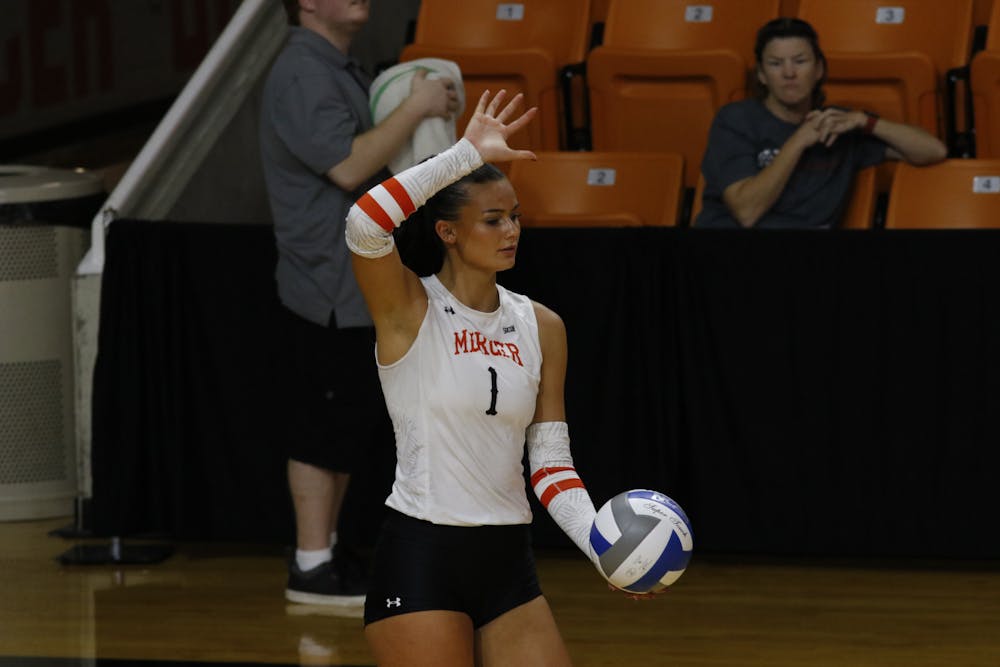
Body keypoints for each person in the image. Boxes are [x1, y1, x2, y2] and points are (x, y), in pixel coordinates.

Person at [344, 89, 638, 666]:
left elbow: (551, 467)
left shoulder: (542, 325)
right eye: (492, 219)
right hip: (423, 555)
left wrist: (604, 547)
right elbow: (364, 224)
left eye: (516, 218)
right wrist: (462, 154)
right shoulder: (409, 309)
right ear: (448, 232)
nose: (511, 231)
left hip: (507, 562)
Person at [258, 0, 459, 606]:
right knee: (322, 429)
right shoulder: (301, 71)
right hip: (325, 284)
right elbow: (348, 166)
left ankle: (329, 552)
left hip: (354, 279)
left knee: (344, 427)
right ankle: (311, 566)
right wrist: (416, 107)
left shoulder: (337, 66)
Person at [695, 17, 947, 229]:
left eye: (800, 61)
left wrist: (865, 120)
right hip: (729, 253)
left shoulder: (839, 124)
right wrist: (798, 141)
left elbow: (934, 150)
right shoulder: (736, 120)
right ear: (761, 75)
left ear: (818, 70)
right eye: (775, 64)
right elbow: (747, 212)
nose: (789, 73)